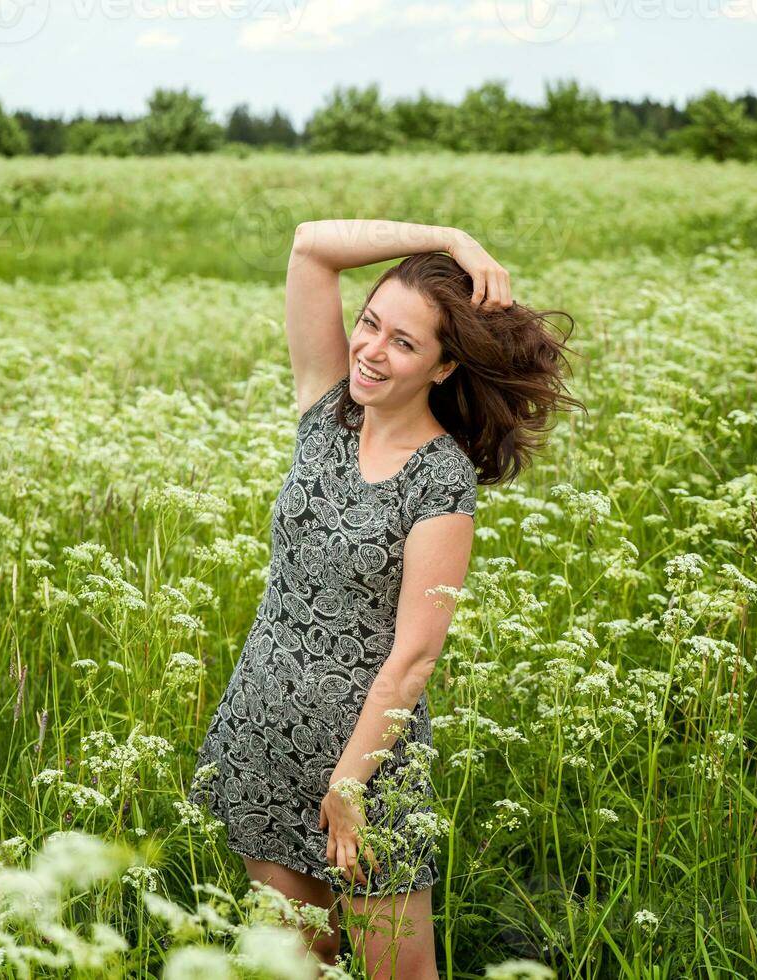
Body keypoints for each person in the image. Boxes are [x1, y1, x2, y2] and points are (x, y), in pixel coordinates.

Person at [188, 219, 583, 978]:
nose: (371, 349)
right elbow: (310, 245)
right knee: (302, 966)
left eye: (404, 342)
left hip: (370, 768)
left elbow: (415, 655)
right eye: (370, 323)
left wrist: (348, 785)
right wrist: (452, 238)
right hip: (263, 737)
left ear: (441, 368)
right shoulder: (326, 411)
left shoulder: (441, 480)